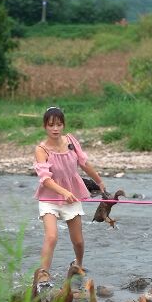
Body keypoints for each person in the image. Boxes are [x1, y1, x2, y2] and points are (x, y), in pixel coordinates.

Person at [33, 106, 105, 287]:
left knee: (78, 241)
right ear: (45, 127)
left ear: (63, 125)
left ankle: (77, 265)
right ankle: (43, 276)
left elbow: (84, 163)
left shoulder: (71, 141)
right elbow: (45, 180)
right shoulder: (41, 150)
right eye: (51, 125)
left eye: (59, 124)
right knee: (51, 237)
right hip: (50, 199)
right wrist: (64, 192)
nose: (55, 128)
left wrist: (99, 182)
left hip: (72, 198)